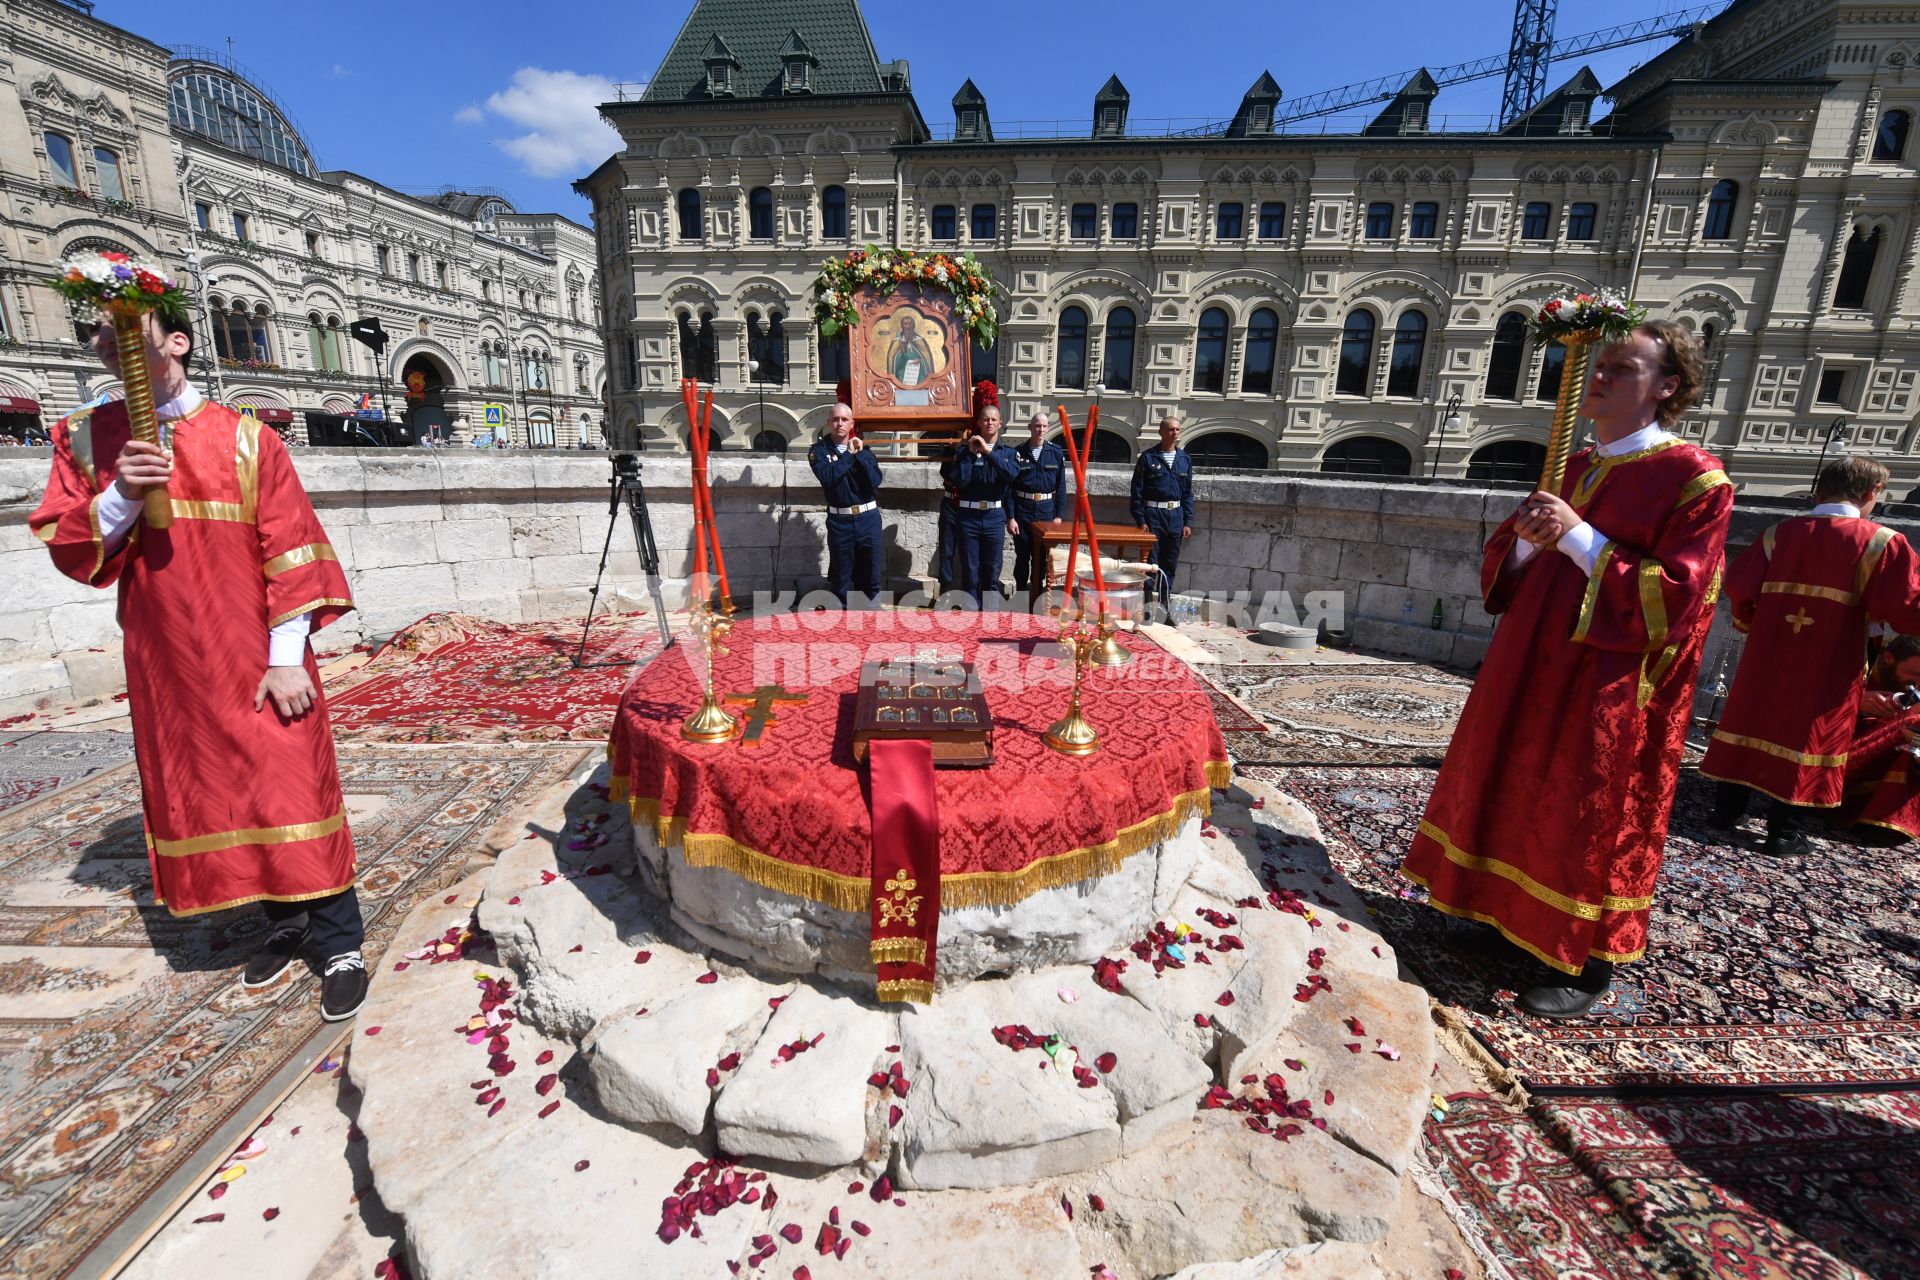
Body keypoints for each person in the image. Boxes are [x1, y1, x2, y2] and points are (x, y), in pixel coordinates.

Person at [30, 310, 369, 1021]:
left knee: (288, 784)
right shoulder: (85, 438)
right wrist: (121, 493)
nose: (110, 336)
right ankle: (284, 920)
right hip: (171, 659)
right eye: (94, 327)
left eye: (128, 322)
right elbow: (71, 547)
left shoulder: (247, 439)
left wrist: (286, 660)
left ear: (176, 341)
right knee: (213, 788)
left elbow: (295, 548)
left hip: (254, 646)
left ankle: (340, 941)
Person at [1400, 321, 1732, 1019]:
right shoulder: (1575, 466)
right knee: (1518, 782)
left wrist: (1578, 535)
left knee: (1589, 806)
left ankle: (1587, 961)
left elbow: (1677, 595)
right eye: (1599, 365)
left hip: (1607, 681)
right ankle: (1506, 918)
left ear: (1667, 386)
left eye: (1622, 367)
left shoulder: (1694, 479)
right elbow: (1513, 565)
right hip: (1533, 657)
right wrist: (1525, 543)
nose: (1600, 377)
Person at [1702, 457, 1920, 854]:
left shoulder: (1777, 534)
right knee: (1811, 732)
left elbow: (1740, 586)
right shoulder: (1881, 542)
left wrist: (1752, 622)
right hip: (1831, 659)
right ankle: (1783, 833)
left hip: (1769, 651)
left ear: (1820, 489)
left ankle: (1725, 811)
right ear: (1871, 494)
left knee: (1752, 717)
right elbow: (1907, 607)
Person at [1840, 633, 1920, 840]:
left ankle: (1890, 817)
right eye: (1915, 674)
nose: (1918, 685)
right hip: (1839, 762)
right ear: (1888, 659)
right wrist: (1857, 703)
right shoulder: (1855, 671)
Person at [943, 395, 1020, 608]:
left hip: (994, 517)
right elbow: (960, 480)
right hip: (968, 517)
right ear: (978, 423)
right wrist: (970, 453)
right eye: (985, 419)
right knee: (970, 571)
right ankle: (971, 616)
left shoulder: (1008, 453)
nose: (990, 423)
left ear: (1000, 423)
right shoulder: (964, 452)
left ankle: (990, 618)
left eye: (994, 419)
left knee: (992, 571)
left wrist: (987, 452)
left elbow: (1011, 475)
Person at [808, 400, 883, 606]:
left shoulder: (864, 451)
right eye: (835, 419)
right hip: (840, 521)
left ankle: (870, 625)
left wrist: (859, 455)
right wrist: (848, 455)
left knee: (870, 575)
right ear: (828, 422)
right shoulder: (819, 452)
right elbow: (828, 477)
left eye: (844, 419)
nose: (839, 423)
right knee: (841, 577)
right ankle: (841, 628)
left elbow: (876, 480)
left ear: (852, 424)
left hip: (868, 519)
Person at [1131, 415, 1195, 620]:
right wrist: (1141, 520)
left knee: (1169, 567)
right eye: (1170, 429)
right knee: (1151, 566)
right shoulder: (1148, 458)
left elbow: (1187, 493)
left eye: (1177, 429)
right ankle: (1148, 611)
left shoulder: (1184, 459)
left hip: (1175, 518)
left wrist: (1187, 521)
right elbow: (1137, 492)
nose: (1174, 433)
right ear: (1161, 432)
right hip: (1153, 517)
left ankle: (1166, 611)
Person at [1009, 412, 1067, 599]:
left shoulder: (1056, 453)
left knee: (1042, 557)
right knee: (1022, 555)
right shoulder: (1018, 452)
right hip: (1023, 509)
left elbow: (1061, 486)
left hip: (1046, 510)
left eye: (1043, 426)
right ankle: (1020, 593)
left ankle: (1037, 593)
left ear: (1047, 428)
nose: (1040, 429)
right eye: (1036, 425)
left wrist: (1058, 516)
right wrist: (1010, 517)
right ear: (1030, 427)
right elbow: (1010, 488)